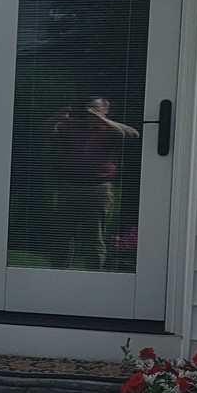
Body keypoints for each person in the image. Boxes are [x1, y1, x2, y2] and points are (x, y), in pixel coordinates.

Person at [51, 97, 139, 271]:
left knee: (94, 236)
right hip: (70, 186)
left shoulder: (110, 129)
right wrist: (57, 117)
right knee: (63, 235)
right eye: (88, 108)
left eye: (95, 108)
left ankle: (94, 275)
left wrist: (101, 120)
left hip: (97, 187)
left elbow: (133, 134)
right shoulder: (74, 126)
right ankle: (58, 273)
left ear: (105, 110)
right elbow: (47, 131)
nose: (90, 111)